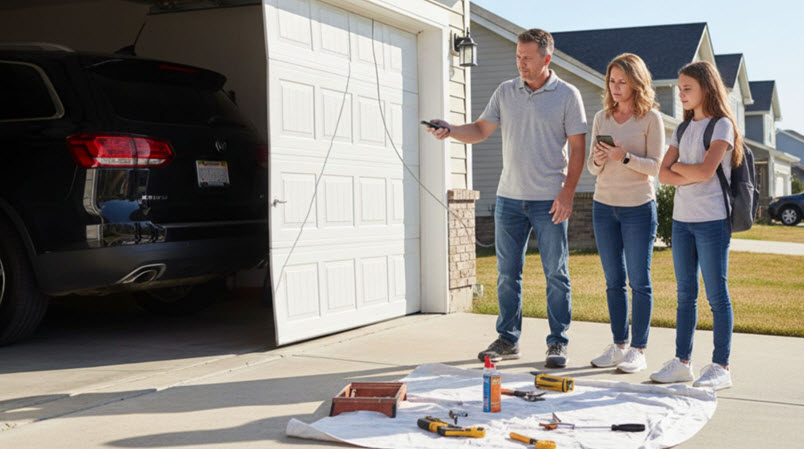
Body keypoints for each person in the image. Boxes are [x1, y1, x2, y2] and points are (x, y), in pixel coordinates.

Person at [426, 28, 587, 368]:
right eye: (517, 56)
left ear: (547, 59)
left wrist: (568, 192)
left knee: (556, 274)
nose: (520, 64)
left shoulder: (567, 95)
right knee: (506, 274)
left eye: (527, 58)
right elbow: (481, 130)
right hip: (509, 199)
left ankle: (557, 341)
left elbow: (577, 148)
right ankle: (508, 339)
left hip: (549, 201)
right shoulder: (505, 91)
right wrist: (451, 129)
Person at [651, 61, 742, 390]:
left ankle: (721, 366)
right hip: (682, 220)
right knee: (685, 294)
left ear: (706, 88)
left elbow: (706, 173)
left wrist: (681, 170)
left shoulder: (722, 126)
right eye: (680, 89)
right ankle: (682, 362)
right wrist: (687, 170)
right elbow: (662, 174)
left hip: (712, 220)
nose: (681, 94)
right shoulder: (681, 128)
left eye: (687, 88)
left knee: (717, 295)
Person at [586, 53, 664, 374]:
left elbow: (656, 167)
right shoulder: (601, 118)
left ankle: (638, 349)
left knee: (639, 281)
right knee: (613, 281)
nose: (615, 88)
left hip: (638, 209)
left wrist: (623, 156)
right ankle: (619, 345)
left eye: (622, 82)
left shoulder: (650, 119)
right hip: (603, 207)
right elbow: (592, 168)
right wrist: (601, 158)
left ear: (635, 83)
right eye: (612, 81)